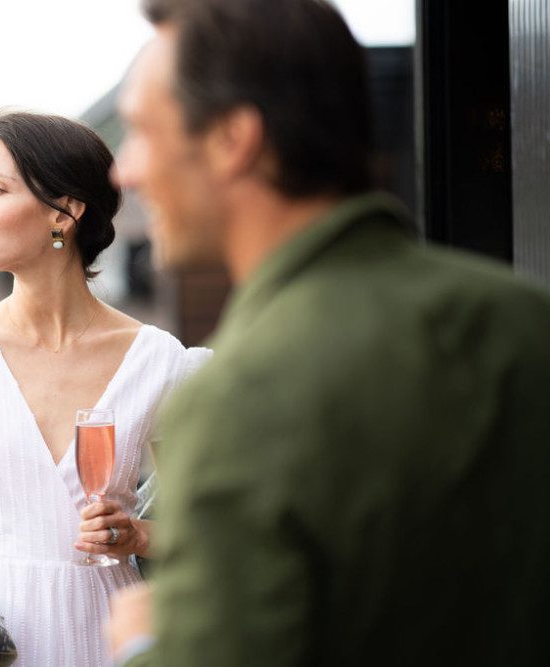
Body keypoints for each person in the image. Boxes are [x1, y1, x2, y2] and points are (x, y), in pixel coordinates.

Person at [106, 0, 550, 665]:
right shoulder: (527, 319)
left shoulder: (237, 399)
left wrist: (142, 640)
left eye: (140, 131)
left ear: (233, 139)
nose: (125, 170)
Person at [0, 110, 210, 666]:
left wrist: (136, 536)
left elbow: (212, 532)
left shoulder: (159, 363)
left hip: (116, 646)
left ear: (65, 212)